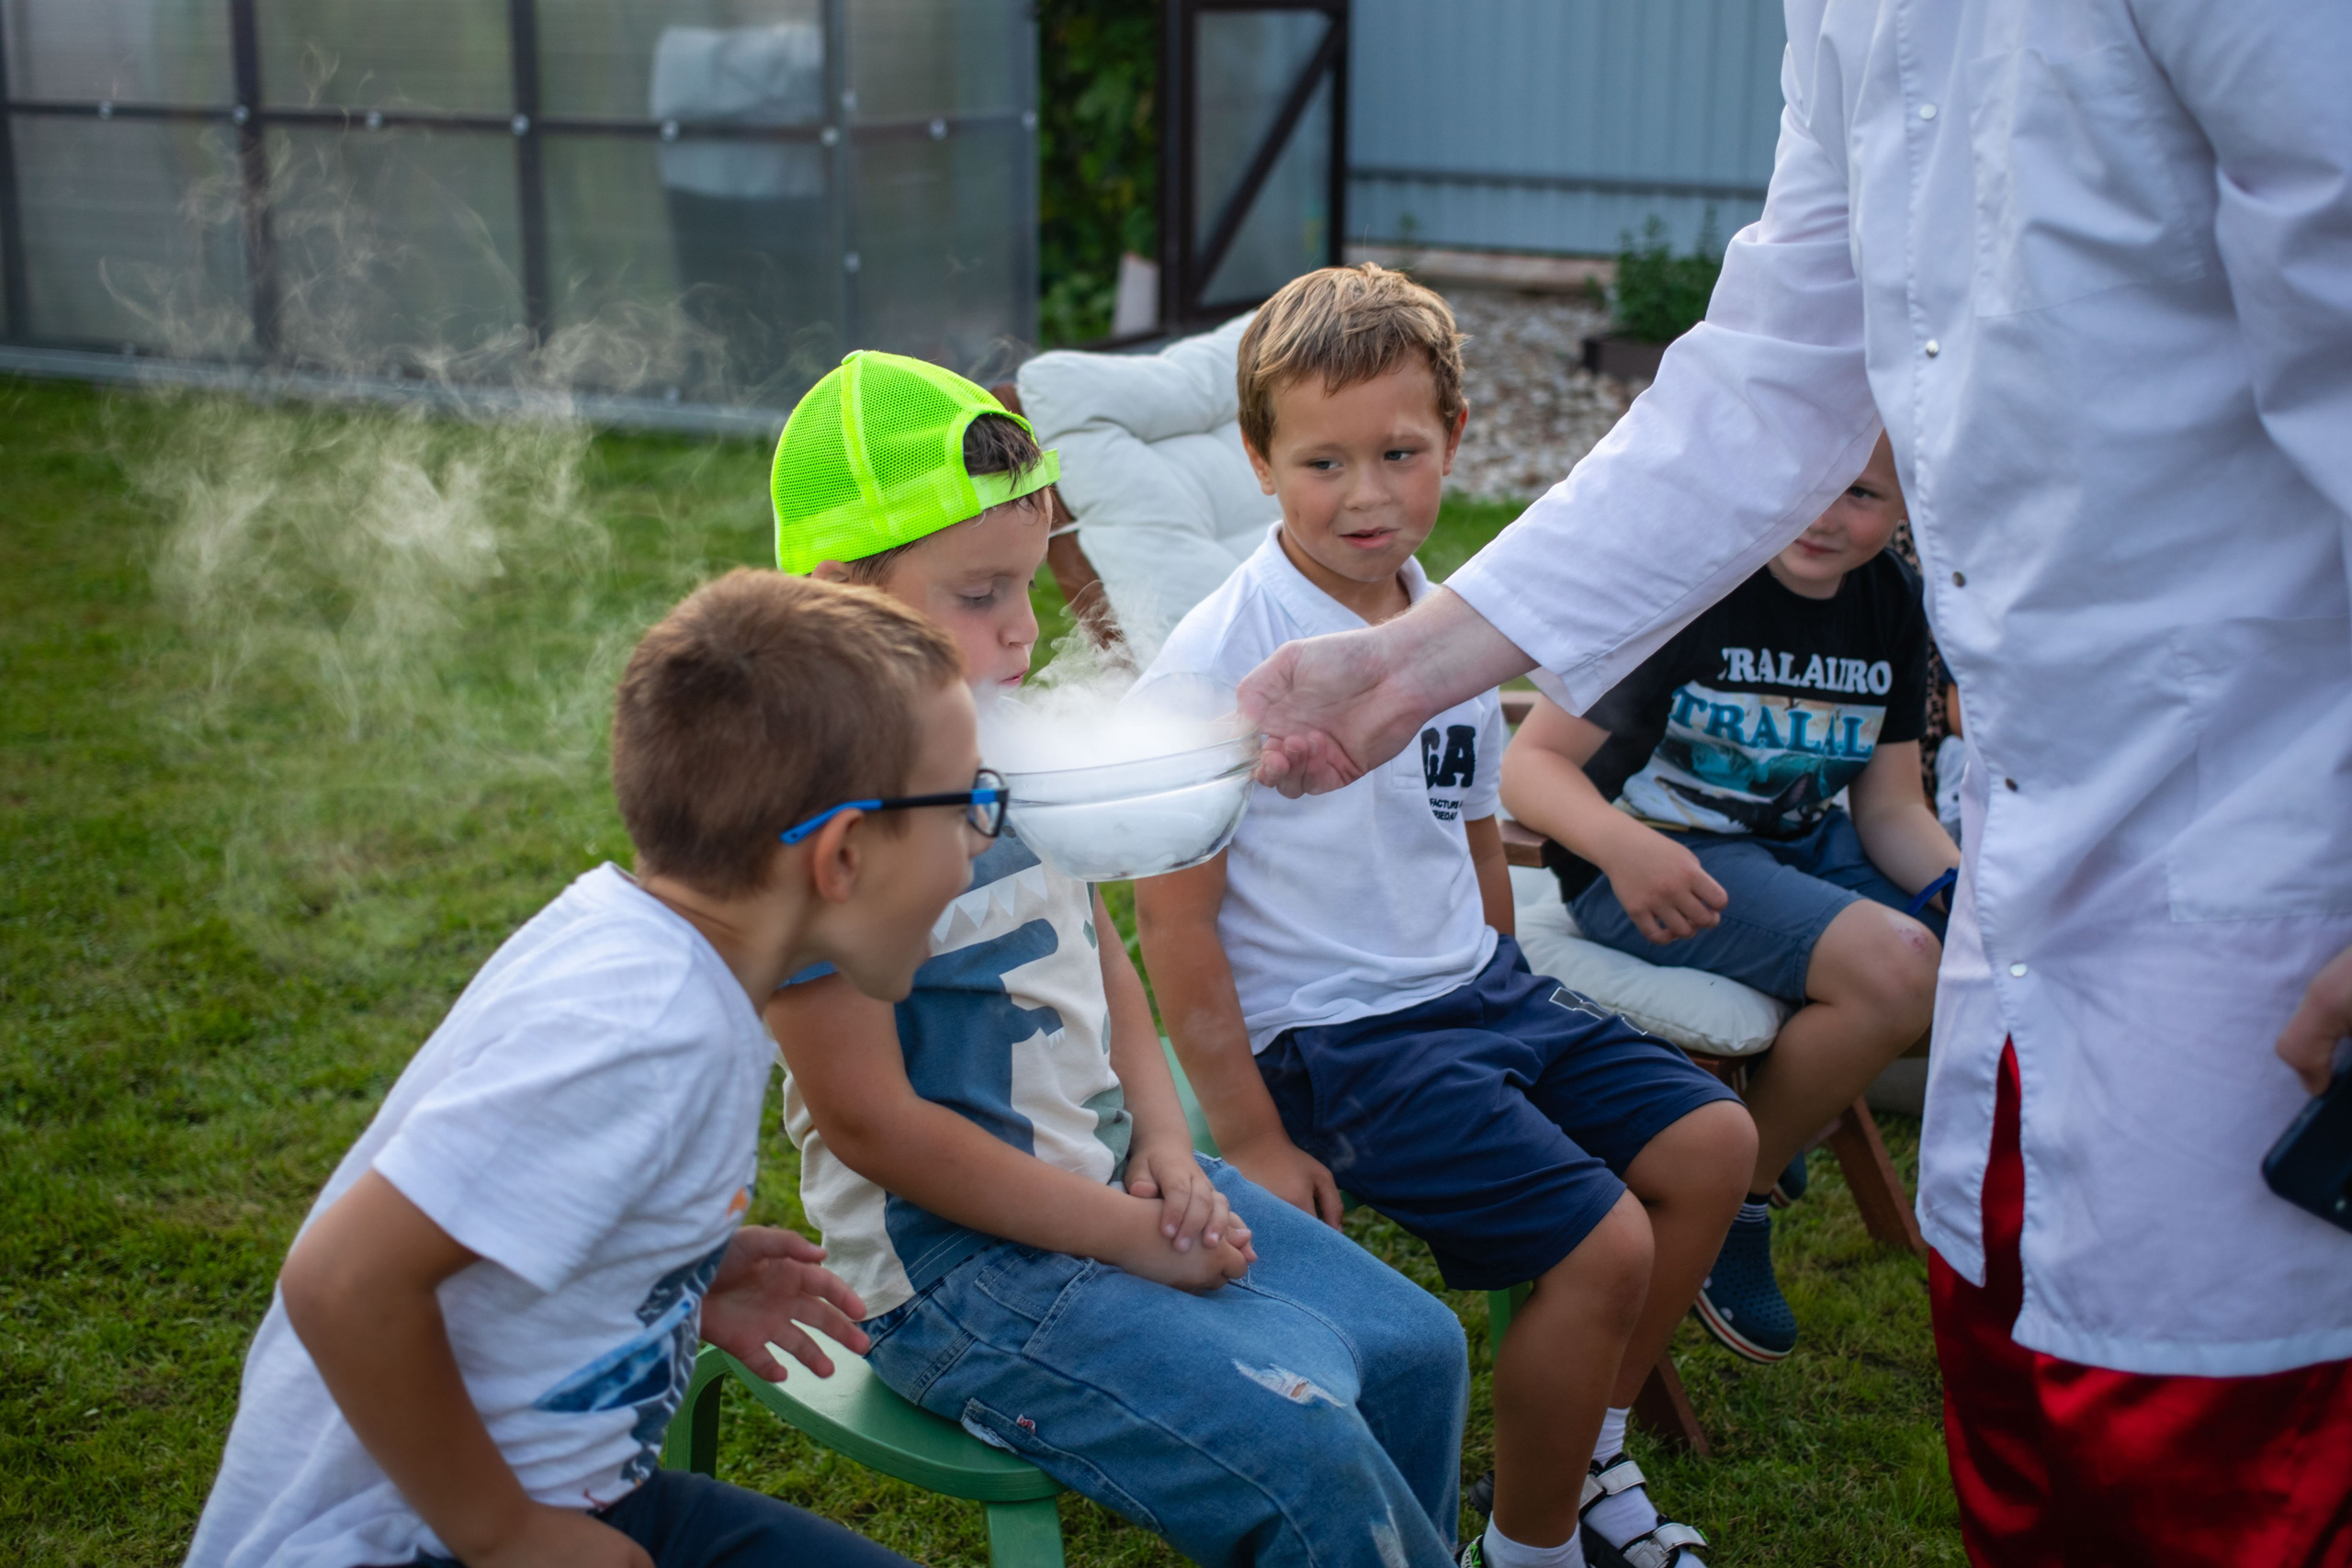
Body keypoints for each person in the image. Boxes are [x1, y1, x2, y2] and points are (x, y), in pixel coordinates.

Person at [1230, 6, 2352, 1562]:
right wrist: (1413, 664)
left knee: (2231, 1461)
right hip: (2047, 894)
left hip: (2283, 894)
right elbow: (1763, 384)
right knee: (2041, 1414)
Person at [763, 349, 1473, 1568]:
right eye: (979, 594)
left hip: (1108, 1177)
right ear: (841, 597)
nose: (1023, 630)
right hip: (953, 1277)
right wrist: (1123, 1227)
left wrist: (1159, 1144)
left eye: (1027, 587)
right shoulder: (808, 821)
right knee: (1309, 1460)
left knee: (1419, 1350)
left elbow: (1108, 955)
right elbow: (876, 1127)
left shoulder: (1011, 745)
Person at [1131, 266, 1755, 1568]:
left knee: (1711, 1144)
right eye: (1322, 461)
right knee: (1604, 1242)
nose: (1366, 494)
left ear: (1453, 442)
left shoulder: (1452, 623)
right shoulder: (1217, 659)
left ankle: (1581, 1448)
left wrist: (1512, 984)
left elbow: (1470, 823)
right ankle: (1524, 1554)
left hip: (1476, 990)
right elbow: (1173, 921)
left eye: (1400, 452)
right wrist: (1247, 1127)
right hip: (1339, 1042)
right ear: (1258, 461)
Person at [187, 570, 986, 1568]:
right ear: (844, 855)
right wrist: (506, 1534)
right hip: (414, 1540)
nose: (975, 845)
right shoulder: (650, 1034)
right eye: (969, 806)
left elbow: (504, 1231)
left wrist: (665, 1282)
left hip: (567, 1496)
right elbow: (344, 1281)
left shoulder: (647, 948)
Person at [1500, 432, 1959, 1363]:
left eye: (1864, 496)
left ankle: (1767, 1122)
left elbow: (1889, 806)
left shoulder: (1888, 600)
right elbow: (1530, 765)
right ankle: (1739, 1198)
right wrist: (1619, 844)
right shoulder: (1692, 587)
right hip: (1649, 863)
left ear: (1910, 506)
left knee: (1970, 952)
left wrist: (1967, 893)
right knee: (1897, 965)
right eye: (1809, 482)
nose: (1828, 517)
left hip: (1790, 841)